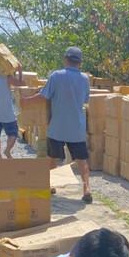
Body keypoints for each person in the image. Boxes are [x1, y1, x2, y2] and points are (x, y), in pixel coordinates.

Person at [19, 47, 92, 203]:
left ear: (65, 59)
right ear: (80, 62)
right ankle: (86, 189)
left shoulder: (56, 76)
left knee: (52, 157)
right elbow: (85, 101)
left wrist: (26, 101)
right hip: (77, 127)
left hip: (58, 126)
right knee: (81, 159)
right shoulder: (85, 79)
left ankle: (52, 185)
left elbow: (43, 96)